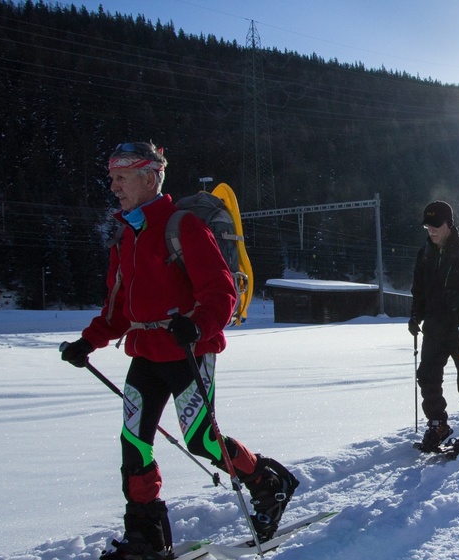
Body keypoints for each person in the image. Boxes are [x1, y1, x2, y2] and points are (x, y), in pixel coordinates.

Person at [60, 142, 297, 560]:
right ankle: (145, 536)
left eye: (121, 177)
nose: (113, 186)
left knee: (203, 440)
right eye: (112, 176)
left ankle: (267, 483)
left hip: (190, 351)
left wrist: (198, 324)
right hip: (145, 354)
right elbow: (117, 311)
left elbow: (221, 292)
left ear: (149, 178)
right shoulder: (125, 236)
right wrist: (87, 342)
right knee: (135, 444)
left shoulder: (182, 225)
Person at [408, 201, 459, 455]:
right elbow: (419, 291)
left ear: (449, 224)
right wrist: (415, 315)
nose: (431, 231)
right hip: (435, 327)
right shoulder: (424, 254)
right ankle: (438, 424)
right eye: (427, 226)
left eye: (436, 226)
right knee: (427, 376)